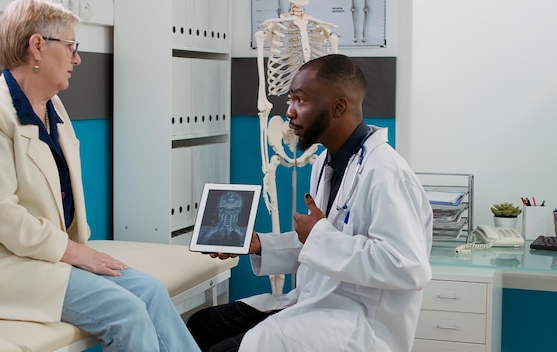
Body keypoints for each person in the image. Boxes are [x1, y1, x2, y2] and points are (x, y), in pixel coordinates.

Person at [0, 1, 200, 351]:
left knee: (150, 290)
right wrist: (74, 253)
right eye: (72, 46)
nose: (77, 59)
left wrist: (79, 253)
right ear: (37, 46)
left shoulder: (52, 107)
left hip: (40, 257)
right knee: (126, 311)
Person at [186, 54, 434, 352]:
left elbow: (407, 268)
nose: (289, 112)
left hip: (360, 324)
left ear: (339, 106)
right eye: (290, 100)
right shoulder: (325, 164)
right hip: (316, 304)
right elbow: (321, 245)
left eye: (300, 100)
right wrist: (260, 245)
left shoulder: (386, 173)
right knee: (202, 325)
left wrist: (318, 234)